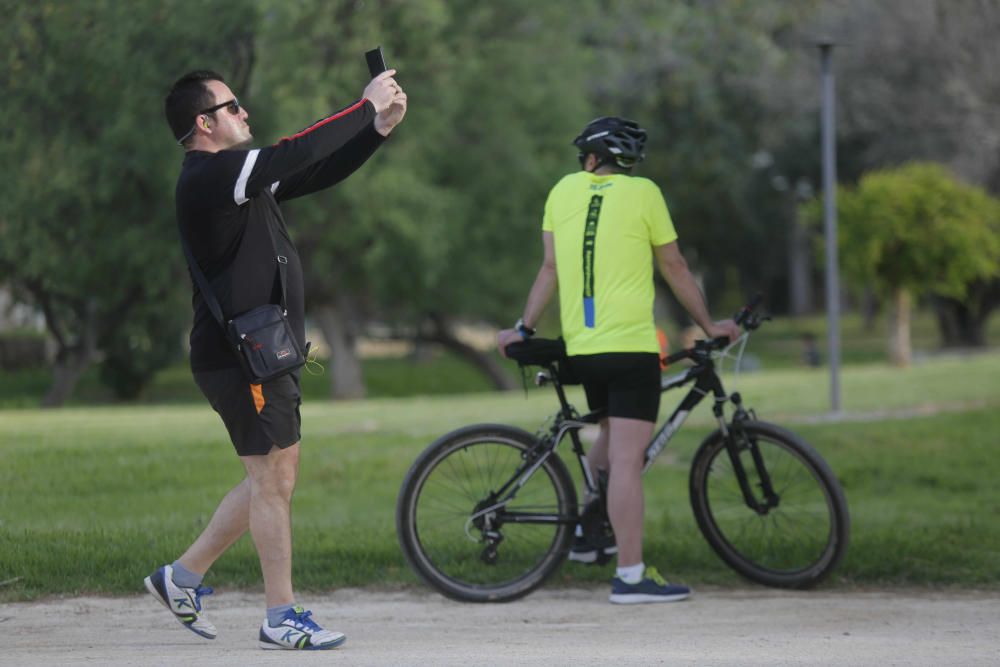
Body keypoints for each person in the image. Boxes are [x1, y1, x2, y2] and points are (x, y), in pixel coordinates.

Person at [149, 68, 406, 650]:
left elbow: (316, 170)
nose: (244, 112)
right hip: (238, 359)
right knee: (272, 479)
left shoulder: (236, 179)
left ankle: (181, 576)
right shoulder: (210, 175)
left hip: (262, 355)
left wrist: (377, 131)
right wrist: (363, 106)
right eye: (232, 106)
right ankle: (280, 616)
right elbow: (295, 150)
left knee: (273, 477)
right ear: (204, 123)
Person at [496, 117, 739, 604]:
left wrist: (524, 326)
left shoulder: (562, 191)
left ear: (589, 159)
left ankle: (590, 531)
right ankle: (630, 576)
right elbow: (674, 266)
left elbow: (550, 268)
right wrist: (711, 326)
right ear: (626, 164)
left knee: (610, 433)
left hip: (583, 350)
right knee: (628, 460)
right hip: (630, 350)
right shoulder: (644, 193)